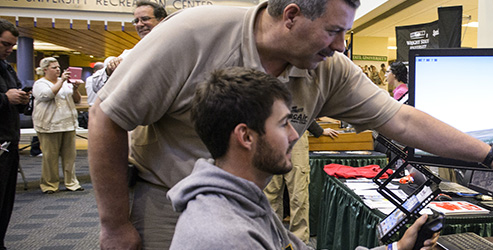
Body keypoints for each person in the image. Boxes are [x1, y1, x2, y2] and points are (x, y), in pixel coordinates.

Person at [89, 0, 493, 248]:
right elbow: (108, 117)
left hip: (247, 199)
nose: (341, 45)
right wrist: (114, 225)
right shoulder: (191, 35)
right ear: (291, 16)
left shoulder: (325, 66)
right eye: (333, 31)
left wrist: (492, 156)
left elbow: (403, 120)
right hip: (165, 201)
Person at [169, 67, 436, 250]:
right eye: (283, 123)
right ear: (246, 137)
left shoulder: (245, 203)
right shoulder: (225, 235)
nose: (293, 134)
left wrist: (396, 247)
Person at [262, 121, 338, 241]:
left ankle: (299, 240)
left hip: (296, 135)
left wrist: (319, 130)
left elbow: (306, 110)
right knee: (270, 194)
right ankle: (270, 237)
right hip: (270, 135)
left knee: (298, 193)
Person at [32, 57, 85, 194]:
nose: (57, 69)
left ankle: (71, 183)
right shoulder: (40, 84)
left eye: (58, 67)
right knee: (50, 157)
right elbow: (47, 95)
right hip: (49, 125)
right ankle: (50, 185)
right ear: (45, 70)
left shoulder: (66, 84)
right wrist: (61, 81)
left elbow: (77, 100)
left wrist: (74, 88)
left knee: (70, 157)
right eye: (54, 67)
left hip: (68, 124)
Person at [0, 18, 25, 250]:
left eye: (12, 46)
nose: (9, 50)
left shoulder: (6, 68)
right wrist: (5, 98)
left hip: (9, 141)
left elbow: (15, 93)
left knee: (6, 201)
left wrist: (22, 99)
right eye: (5, 44)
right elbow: (6, 97)